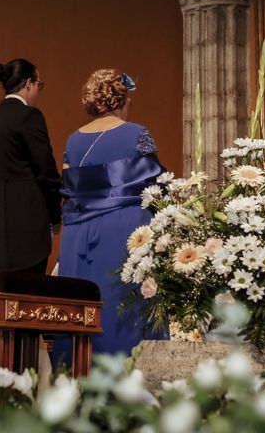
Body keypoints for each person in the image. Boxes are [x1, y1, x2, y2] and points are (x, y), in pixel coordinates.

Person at [57, 69, 169, 357]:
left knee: (83, 306)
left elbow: (69, 189)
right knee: (123, 305)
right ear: (122, 99)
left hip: (78, 235)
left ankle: (78, 375)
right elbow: (158, 184)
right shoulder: (137, 133)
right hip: (125, 230)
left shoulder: (72, 140)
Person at [0, 59, 61, 274]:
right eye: (39, 85)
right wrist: (55, 216)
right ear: (28, 83)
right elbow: (46, 171)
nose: (38, 91)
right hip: (28, 222)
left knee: (4, 295)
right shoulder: (29, 117)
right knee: (29, 296)